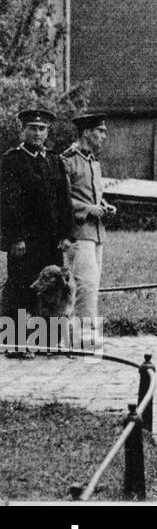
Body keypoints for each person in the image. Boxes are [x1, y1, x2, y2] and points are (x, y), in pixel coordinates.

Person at [1, 109, 74, 357]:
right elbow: (7, 203)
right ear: (23, 130)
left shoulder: (53, 160)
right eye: (32, 127)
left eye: (42, 129)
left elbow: (64, 201)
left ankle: (47, 343)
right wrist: (15, 237)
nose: (38, 133)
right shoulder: (12, 160)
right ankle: (15, 344)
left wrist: (66, 235)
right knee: (20, 289)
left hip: (51, 240)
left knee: (52, 293)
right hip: (24, 241)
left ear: (48, 132)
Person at [61, 114, 116, 347]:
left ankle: (83, 333)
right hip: (77, 232)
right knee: (84, 283)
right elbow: (61, 201)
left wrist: (104, 207)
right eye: (99, 131)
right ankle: (80, 336)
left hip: (96, 232)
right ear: (86, 133)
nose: (103, 136)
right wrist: (89, 209)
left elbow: (94, 195)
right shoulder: (68, 160)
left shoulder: (94, 162)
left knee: (93, 283)